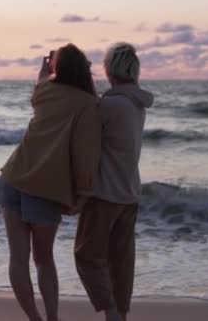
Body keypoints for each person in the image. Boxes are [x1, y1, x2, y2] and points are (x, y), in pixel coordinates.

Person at [0, 43, 102, 321]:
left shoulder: (43, 91)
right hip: (46, 190)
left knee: (18, 259)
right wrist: (83, 194)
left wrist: (43, 72)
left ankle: (35, 319)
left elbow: (38, 90)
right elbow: (84, 154)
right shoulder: (88, 104)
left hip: (13, 178)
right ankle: (52, 319)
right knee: (43, 260)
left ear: (56, 69)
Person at [74, 43, 154, 321]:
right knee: (120, 263)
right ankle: (120, 313)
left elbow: (84, 135)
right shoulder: (136, 103)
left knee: (86, 255)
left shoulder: (110, 105)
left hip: (105, 193)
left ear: (110, 70)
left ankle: (111, 312)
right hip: (130, 192)